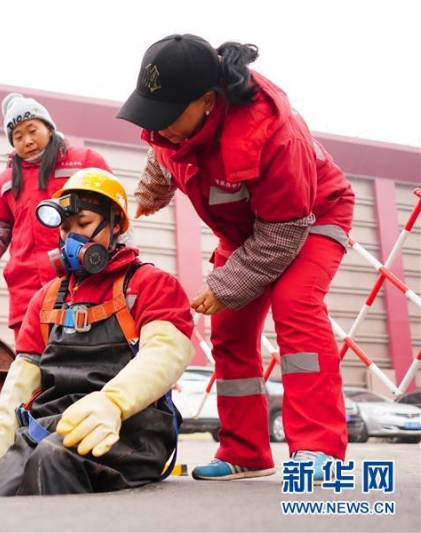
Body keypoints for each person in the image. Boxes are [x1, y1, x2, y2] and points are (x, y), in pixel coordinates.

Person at [116, 34, 356, 482]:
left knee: (296, 307)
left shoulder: (271, 134)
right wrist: (152, 193)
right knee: (229, 330)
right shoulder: (172, 122)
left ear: (208, 100)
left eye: (167, 115)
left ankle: (319, 449)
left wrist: (229, 284)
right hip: (246, 231)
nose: (159, 126)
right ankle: (245, 451)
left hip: (309, 217)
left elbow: (285, 230)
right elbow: (163, 152)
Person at [0, 168, 195, 496]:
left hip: (129, 430)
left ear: (116, 224)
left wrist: (113, 404)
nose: (72, 238)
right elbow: (20, 383)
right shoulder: (46, 298)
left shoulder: (150, 285)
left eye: (84, 224)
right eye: (65, 228)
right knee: (0, 483)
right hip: (50, 426)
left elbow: (165, 354)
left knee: (52, 460)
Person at [0, 93, 127, 343]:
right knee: (31, 360)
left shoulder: (84, 162)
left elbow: (115, 212)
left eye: (32, 130)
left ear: (49, 128)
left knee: (92, 351)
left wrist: (125, 260)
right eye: (18, 136)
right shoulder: (4, 182)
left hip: (84, 280)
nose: (27, 141)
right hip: (26, 288)